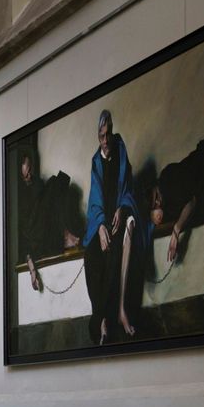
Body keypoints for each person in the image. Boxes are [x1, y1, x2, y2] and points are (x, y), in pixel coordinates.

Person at [83, 110, 141, 344]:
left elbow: (128, 189)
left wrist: (121, 209)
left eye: (107, 134)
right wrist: (99, 227)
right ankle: (102, 318)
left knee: (115, 252)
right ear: (97, 136)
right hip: (102, 223)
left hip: (119, 218)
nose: (105, 141)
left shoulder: (121, 151)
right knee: (93, 256)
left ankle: (119, 312)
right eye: (101, 135)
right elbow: (94, 200)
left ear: (112, 130)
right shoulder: (96, 161)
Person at [15, 146, 82, 291]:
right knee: (52, 184)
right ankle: (65, 237)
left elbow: (51, 210)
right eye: (26, 173)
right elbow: (23, 237)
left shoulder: (36, 183)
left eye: (30, 169)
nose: (29, 174)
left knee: (56, 182)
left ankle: (65, 234)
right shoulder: (18, 196)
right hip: (34, 240)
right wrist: (32, 271)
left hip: (44, 229)